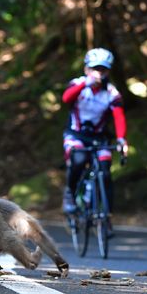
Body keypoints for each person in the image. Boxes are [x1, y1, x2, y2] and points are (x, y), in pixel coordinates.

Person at [61, 47, 128, 216]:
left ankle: (107, 215)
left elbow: (119, 117)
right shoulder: (78, 84)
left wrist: (121, 139)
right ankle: (70, 193)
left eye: (103, 69)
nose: (99, 73)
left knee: (105, 170)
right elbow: (66, 98)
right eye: (95, 68)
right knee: (79, 159)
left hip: (99, 138)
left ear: (108, 71)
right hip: (75, 135)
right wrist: (86, 83)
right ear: (87, 69)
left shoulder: (112, 93)